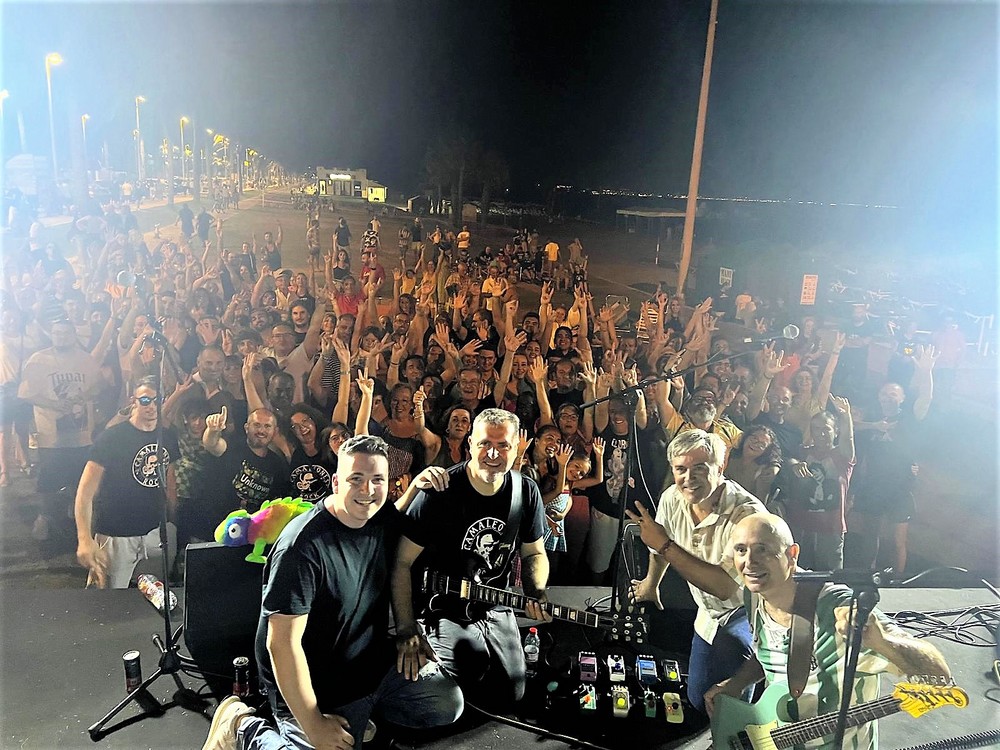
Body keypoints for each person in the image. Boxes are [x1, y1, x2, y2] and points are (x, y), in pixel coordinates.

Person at [202, 435, 463, 750]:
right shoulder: (301, 546)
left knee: (446, 702)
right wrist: (314, 725)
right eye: (357, 479)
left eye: (377, 480)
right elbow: (281, 645)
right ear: (337, 482)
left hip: (366, 665)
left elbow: (394, 520)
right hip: (312, 679)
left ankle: (358, 714)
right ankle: (242, 725)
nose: (367, 490)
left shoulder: (380, 517)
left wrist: (410, 630)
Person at [704, 513, 951, 750]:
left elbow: (939, 674)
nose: (749, 561)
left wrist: (881, 641)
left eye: (763, 549)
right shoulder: (755, 594)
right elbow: (770, 653)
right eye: (741, 550)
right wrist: (736, 684)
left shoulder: (837, 608)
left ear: (792, 555)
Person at [391, 408, 551, 708]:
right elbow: (401, 562)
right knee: (469, 678)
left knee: (513, 691)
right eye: (484, 444)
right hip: (443, 606)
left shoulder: (525, 491)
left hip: (494, 603)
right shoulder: (441, 491)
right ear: (470, 445)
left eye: (503, 445)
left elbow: (535, 552)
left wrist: (536, 590)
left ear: (517, 447)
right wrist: (406, 627)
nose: (493, 453)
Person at [627, 429, 766, 713]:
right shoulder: (672, 498)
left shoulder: (747, 515)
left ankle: (740, 727)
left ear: (721, 467)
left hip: (750, 612)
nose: (688, 478)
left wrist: (664, 545)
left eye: (700, 468)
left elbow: (725, 587)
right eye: (681, 469)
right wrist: (651, 583)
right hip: (708, 612)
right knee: (698, 695)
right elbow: (657, 544)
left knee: (732, 700)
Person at [74, 377, 179, 589]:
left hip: (156, 533)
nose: (151, 406)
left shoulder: (167, 437)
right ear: (134, 400)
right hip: (116, 535)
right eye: (145, 400)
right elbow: (85, 492)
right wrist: (84, 538)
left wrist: (173, 523)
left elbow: (170, 483)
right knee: (108, 599)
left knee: (156, 595)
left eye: (156, 400)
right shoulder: (112, 438)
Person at [202, 405, 291, 514]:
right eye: (257, 425)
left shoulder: (276, 463)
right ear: (246, 428)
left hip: (253, 526)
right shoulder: (233, 445)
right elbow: (212, 444)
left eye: (267, 426)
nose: (261, 430)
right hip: (219, 522)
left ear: (275, 431)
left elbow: (275, 501)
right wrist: (212, 430)